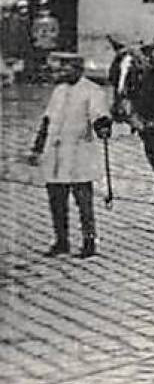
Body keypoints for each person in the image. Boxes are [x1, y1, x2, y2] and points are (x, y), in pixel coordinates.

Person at [28, 52, 111, 258]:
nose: (63, 73)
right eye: (62, 69)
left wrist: (103, 125)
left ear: (79, 70)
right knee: (56, 199)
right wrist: (37, 148)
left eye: (68, 69)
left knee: (83, 200)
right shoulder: (59, 90)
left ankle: (89, 241)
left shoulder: (93, 91)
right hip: (55, 153)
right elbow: (47, 120)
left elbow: (99, 115)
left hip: (78, 153)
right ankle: (61, 240)